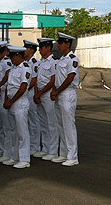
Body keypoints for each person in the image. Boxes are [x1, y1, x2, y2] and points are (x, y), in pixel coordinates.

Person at [51, 32, 79, 166]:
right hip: (59, 94)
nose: (58, 46)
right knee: (60, 125)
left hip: (67, 93)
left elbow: (70, 78)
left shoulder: (72, 59)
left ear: (67, 44)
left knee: (68, 125)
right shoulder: (61, 59)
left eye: (60, 43)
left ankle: (73, 156)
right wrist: (55, 91)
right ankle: (63, 154)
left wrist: (57, 91)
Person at [3, 46, 30, 168]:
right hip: (11, 102)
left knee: (22, 131)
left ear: (19, 56)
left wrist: (11, 101)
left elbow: (22, 88)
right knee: (13, 131)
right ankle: (15, 156)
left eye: (12, 57)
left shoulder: (25, 68)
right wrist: (6, 100)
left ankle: (24, 159)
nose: (11, 59)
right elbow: (9, 86)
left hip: (20, 102)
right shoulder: (12, 68)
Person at [34, 38, 59, 161]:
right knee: (43, 123)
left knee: (52, 124)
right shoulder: (41, 62)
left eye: (41, 47)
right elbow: (37, 79)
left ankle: (53, 150)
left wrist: (40, 93)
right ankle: (45, 148)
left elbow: (53, 80)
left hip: (48, 94)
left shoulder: (53, 61)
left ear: (48, 48)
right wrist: (37, 94)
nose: (39, 50)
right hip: (40, 94)